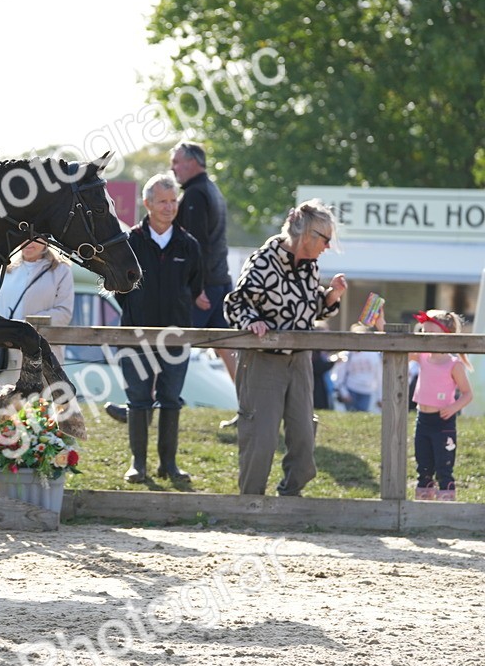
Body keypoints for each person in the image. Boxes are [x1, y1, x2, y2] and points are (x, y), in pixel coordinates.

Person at [224, 199, 347, 496]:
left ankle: (290, 497)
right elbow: (235, 303)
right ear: (308, 235)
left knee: (304, 436)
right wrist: (252, 321)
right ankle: (250, 504)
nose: (328, 247)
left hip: (300, 360)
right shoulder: (264, 259)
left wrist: (329, 298)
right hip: (264, 361)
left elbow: (308, 309)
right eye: (326, 239)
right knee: (260, 438)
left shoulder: (310, 265)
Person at [110, 174, 203, 483]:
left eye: (174, 200)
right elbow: (117, 288)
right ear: (147, 203)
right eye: (162, 201)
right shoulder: (129, 242)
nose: (169, 207)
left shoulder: (189, 245)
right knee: (138, 399)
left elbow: (194, 287)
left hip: (177, 337)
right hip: (134, 336)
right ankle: (138, 464)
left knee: (171, 399)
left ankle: (169, 464)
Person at [170, 141, 238, 396]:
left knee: (172, 342)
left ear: (193, 162)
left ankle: (150, 402)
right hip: (219, 282)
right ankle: (251, 409)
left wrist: (196, 287)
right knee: (226, 347)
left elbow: (197, 245)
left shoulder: (195, 194)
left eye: (176, 162)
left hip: (205, 288)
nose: (173, 167)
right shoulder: (210, 189)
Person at [410, 309, 473, 501]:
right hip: (423, 420)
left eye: (431, 334)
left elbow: (467, 393)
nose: (426, 339)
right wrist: (381, 323)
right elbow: (397, 348)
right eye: (424, 334)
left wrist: (453, 408)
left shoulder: (454, 364)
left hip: (443, 422)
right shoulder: (422, 357)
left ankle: (446, 503)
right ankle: (423, 501)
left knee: (444, 465)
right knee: (423, 465)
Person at [0, 238, 74, 383]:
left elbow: (64, 313)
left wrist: (25, 326)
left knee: (38, 402)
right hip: (5, 354)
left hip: (40, 350)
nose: (28, 243)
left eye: (35, 239)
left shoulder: (61, 270)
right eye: (23, 238)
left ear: (47, 241)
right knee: (2, 401)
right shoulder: (5, 267)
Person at [334, 321, 385, 412]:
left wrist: (380, 397)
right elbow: (339, 374)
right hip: (351, 389)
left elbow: (379, 376)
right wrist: (344, 393)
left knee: (363, 414)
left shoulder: (374, 354)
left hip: (367, 391)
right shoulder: (347, 354)